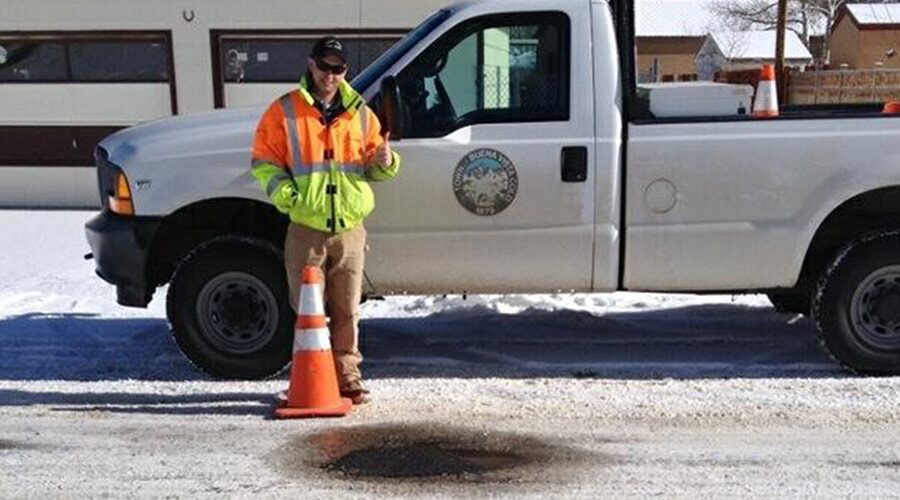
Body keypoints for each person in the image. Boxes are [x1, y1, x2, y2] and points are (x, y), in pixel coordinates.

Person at [250, 36, 400, 404]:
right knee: (305, 310)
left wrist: (387, 163)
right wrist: (289, 198)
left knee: (347, 309)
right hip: (307, 228)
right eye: (324, 66)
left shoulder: (361, 113)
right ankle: (307, 377)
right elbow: (263, 162)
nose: (330, 75)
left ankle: (348, 377)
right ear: (311, 65)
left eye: (338, 68)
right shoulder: (284, 111)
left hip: (349, 228)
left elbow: (375, 166)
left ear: (345, 70)